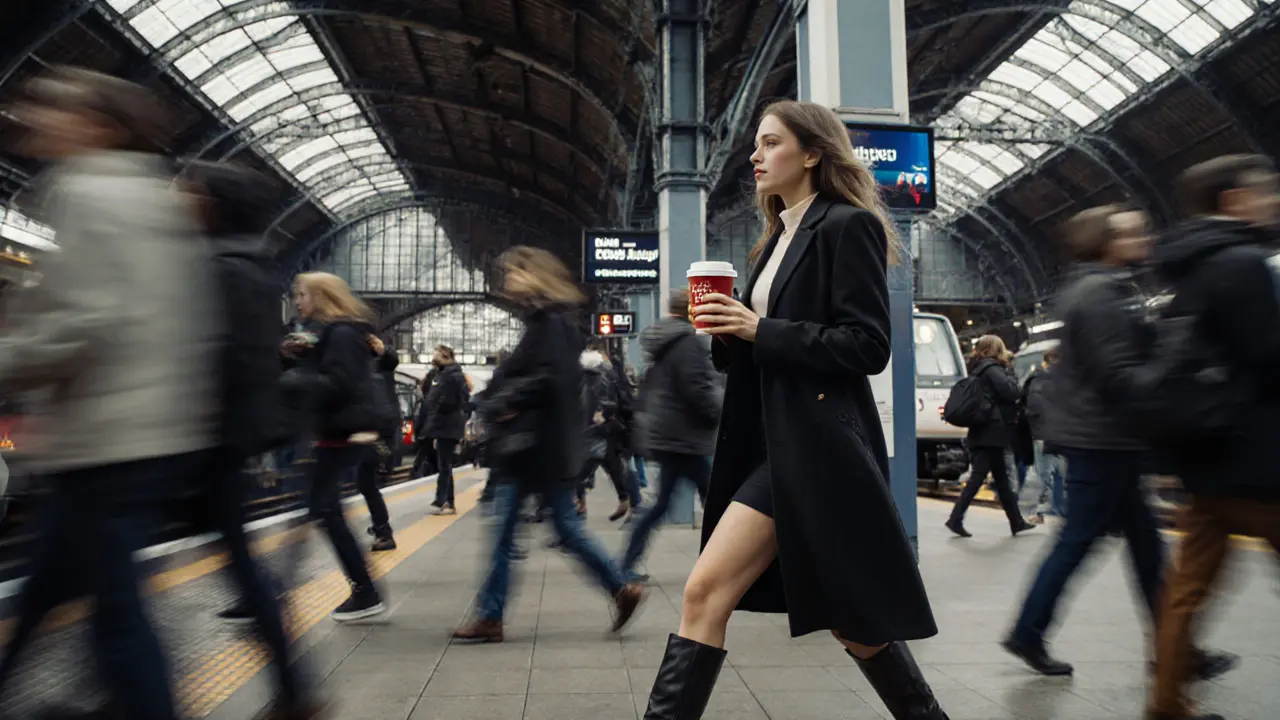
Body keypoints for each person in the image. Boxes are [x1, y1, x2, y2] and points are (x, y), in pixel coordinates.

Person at [641, 100, 947, 720]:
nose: (754, 155)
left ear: (812, 153)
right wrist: (730, 336)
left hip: (816, 448)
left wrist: (760, 329)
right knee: (848, 624)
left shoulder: (846, 225)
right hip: (772, 444)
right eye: (756, 143)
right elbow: (764, 346)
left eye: (770, 143)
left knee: (709, 594)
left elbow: (866, 346)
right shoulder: (774, 239)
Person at [0, 66, 216, 719]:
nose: (29, 119)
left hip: (105, 438)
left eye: (49, 109)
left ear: (97, 125)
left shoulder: (84, 193)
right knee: (55, 593)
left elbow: (84, 321)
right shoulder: (157, 197)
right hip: (145, 434)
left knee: (115, 615)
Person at [1003, 205, 1235, 682]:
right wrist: (1168, 365)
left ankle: (1175, 647)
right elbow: (1118, 376)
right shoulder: (1102, 295)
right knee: (1080, 541)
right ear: (1106, 242)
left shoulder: (1099, 290)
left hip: (1108, 439)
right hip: (1103, 439)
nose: (1144, 239)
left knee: (1145, 547)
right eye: (1132, 233)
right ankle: (1030, 631)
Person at [451, 246, 644, 643]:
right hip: (541, 445)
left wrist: (503, 401)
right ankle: (620, 587)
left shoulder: (552, 322)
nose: (504, 282)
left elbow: (550, 380)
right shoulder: (547, 321)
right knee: (565, 529)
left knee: (508, 534)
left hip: (532, 446)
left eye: (511, 273)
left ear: (532, 274)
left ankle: (491, 617)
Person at [1147, 155, 1280, 720]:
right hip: (1260, 460)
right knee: (1186, 590)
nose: (1271, 200)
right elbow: (1271, 358)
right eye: (1265, 191)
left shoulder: (1184, 273)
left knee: (1184, 592)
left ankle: (1167, 701)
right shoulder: (1244, 263)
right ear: (1232, 202)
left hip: (1203, 459)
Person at [291, 272, 390, 621]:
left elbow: (340, 383)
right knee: (320, 509)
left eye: (302, 294)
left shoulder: (343, 333)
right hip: (335, 433)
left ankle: (365, 590)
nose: (297, 301)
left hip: (342, 433)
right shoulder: (334, 334)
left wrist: (296, 377)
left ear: (321, 296)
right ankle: (362, 589)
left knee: (324, 509)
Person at [621, 287, 719, 579]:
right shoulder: (688, 343)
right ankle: (726, 566)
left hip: (670, 434)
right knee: (717, 502)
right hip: (685, 437)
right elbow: (697, 390)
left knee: (663, 504)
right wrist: (721, 411)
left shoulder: (664, 340)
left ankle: (625, 565)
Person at [945, 335, 1035, 538]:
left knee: (1001, 479)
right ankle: (955, 518)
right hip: (992, 432)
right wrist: (1012, 374)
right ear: (998, 349)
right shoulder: (992, 369)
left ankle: (1016, 521)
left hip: (985, 430)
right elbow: (1012, 392)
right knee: (979, 477)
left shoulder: (980, 368)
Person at [422, 344, 469, 515]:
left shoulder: (451, 376)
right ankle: (447, 501)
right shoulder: (445, 374)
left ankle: (443, 501)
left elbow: (455, 399)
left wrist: (439, 405)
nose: (433, 356)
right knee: (444, 464)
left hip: (447, 425)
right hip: (444, 424)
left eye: (436, 353)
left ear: (445, 355)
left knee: (444, 465)